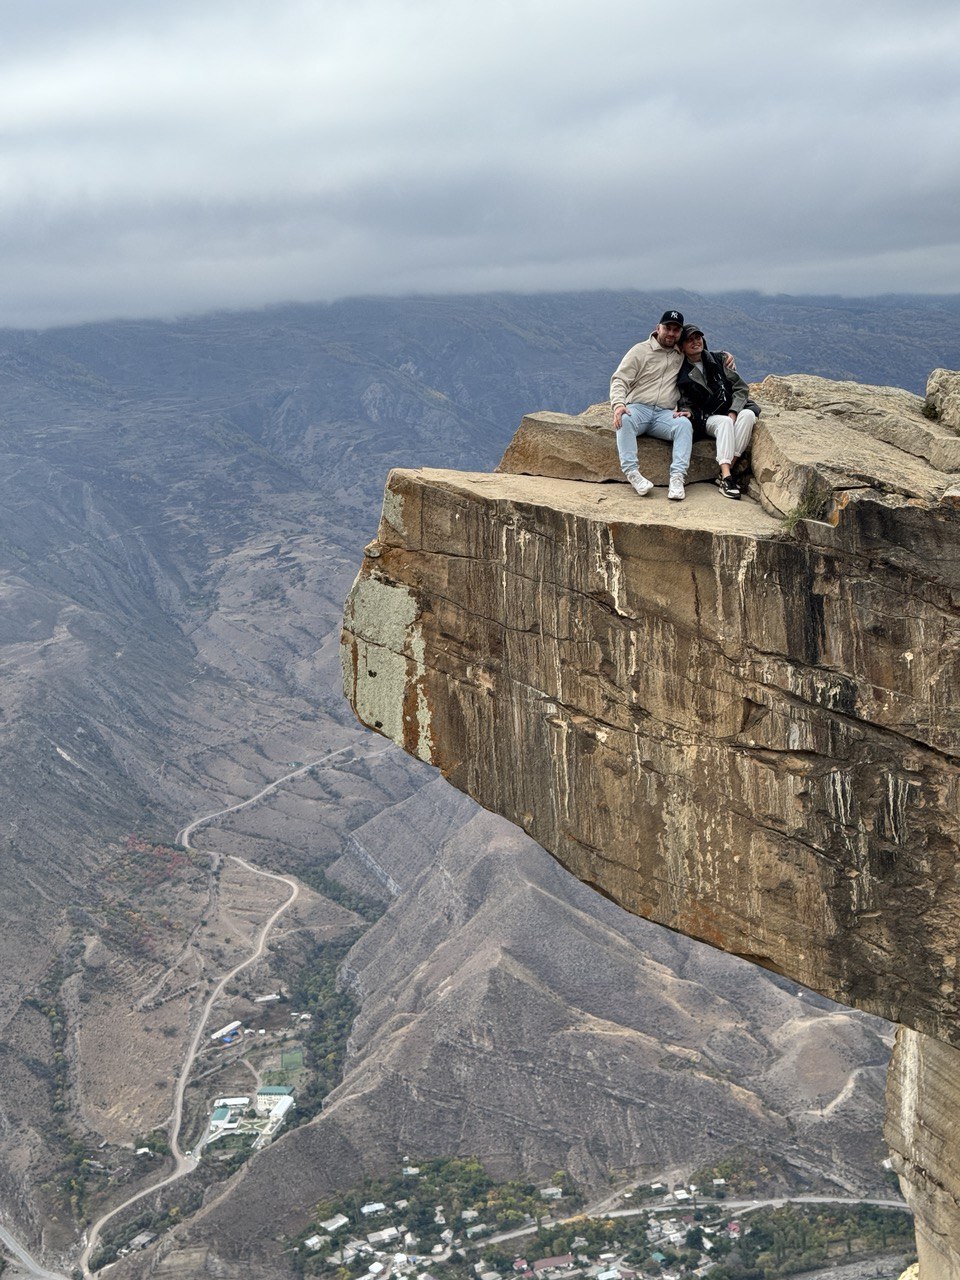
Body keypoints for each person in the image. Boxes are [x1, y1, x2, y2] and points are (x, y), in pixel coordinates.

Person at [676, 324, 759, 501]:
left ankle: (724, 474)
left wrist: (734, 410)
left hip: (727, 410)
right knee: (725, 422)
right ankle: (728, 477)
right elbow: (681, 398)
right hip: (705, 417)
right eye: (689, 340)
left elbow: (741, 388)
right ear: (681, 345)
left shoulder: (718, 360)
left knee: (748, 415)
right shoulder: (680, 370)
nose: (695, 342)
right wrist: (687, 411)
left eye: (697, 338)